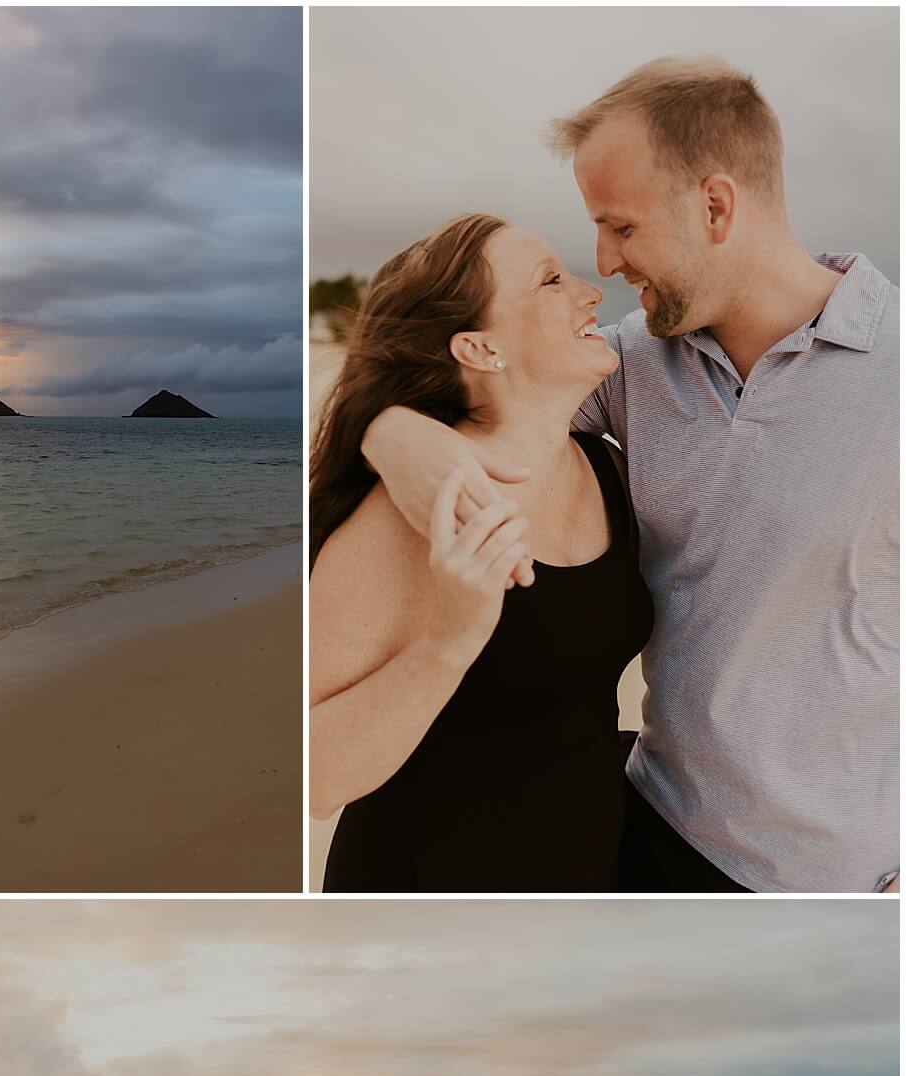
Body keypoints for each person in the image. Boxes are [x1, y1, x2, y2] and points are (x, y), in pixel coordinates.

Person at [360, 57, 899, 895]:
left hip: (820, 879)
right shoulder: (630, 365)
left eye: (620, 226)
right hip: (641, 823)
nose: (605, 263)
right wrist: (404, 443)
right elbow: (460, 396)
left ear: (716, 206)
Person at [311, 212, 653, 891]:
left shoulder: (608, 468)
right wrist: (449, 639)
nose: (591, 293)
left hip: (586, 879)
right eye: (552, 281)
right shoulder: (401, 517)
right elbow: (313, 775)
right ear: (479, 349)